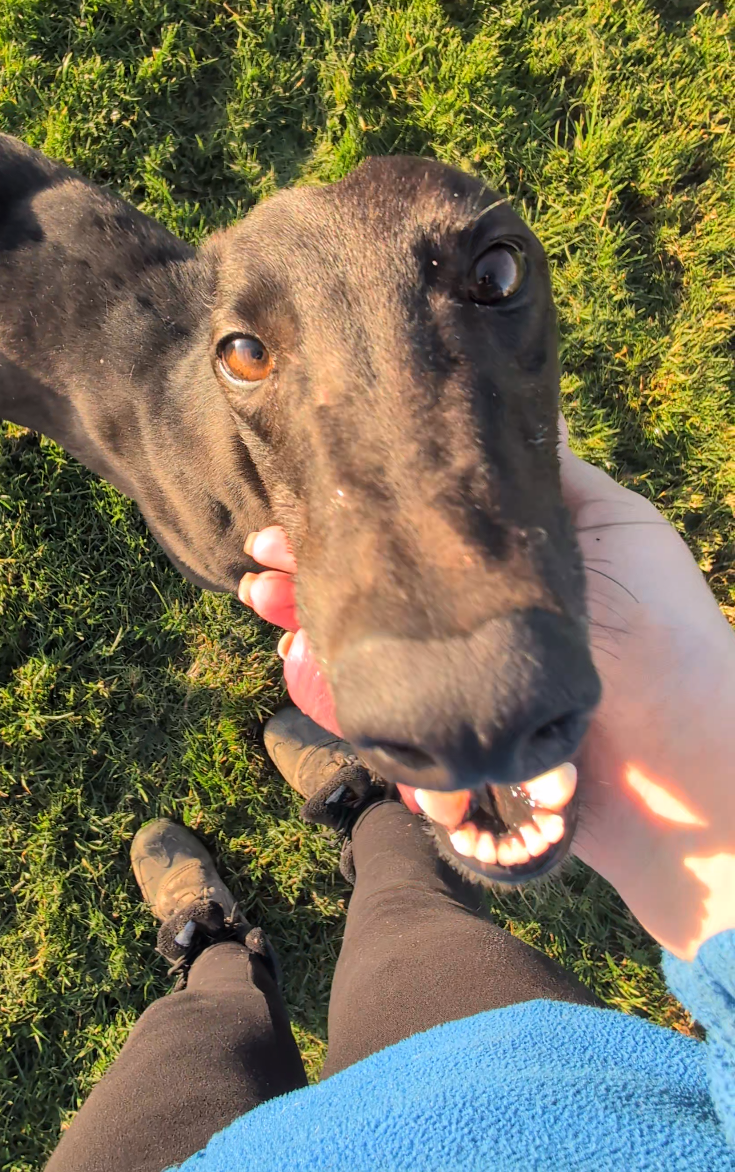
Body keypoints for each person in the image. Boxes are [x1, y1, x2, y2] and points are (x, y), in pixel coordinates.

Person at [45, 433, 735, 1172]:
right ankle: (371, 813)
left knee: (188, 1039)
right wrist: (693, 789)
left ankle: (212, 946)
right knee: (406, 911)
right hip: (527, 1106)